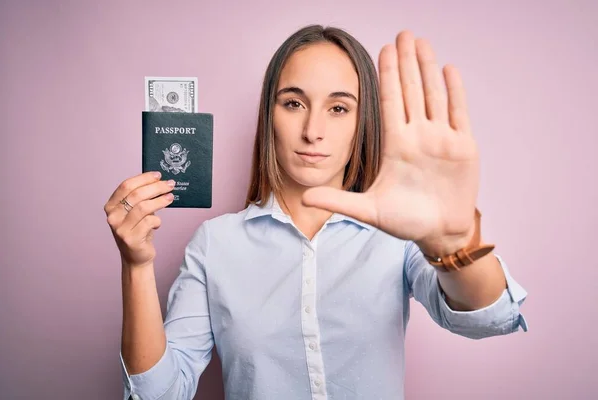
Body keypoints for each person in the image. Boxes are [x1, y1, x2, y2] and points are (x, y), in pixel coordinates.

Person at [104, 24, 528, 400]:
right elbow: (158, 395)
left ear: (362, 122)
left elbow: (489, 318)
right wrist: (136, 265)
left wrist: (454, 243)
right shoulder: (216, 243)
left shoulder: (398, 234)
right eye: (293, 103)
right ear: (269, 115)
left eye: (339, 108)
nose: (313, 131)